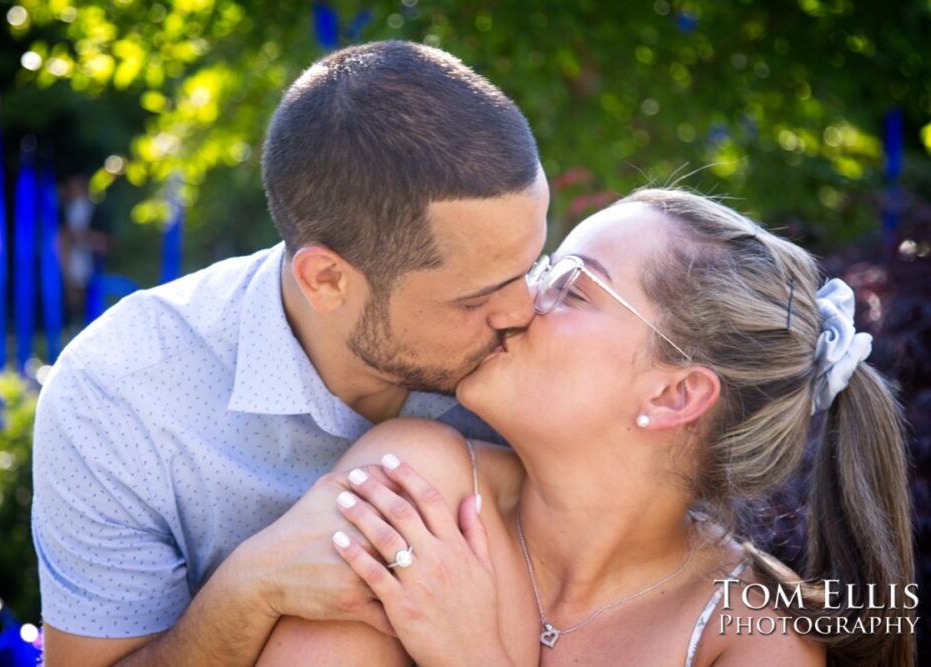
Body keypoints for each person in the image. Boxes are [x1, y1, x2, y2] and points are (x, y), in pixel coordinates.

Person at [32, 41, 548, 666]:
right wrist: (250, 590)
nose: (524, 313)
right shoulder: (119, 393)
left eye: (532, 265)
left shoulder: (556, 347)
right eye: (476, 299)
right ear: (326, 280)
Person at [255, 189, 915, 666]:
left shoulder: (750, 641)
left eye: (571, 286)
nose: (517, 299)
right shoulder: (420, 484)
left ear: (675, 392)